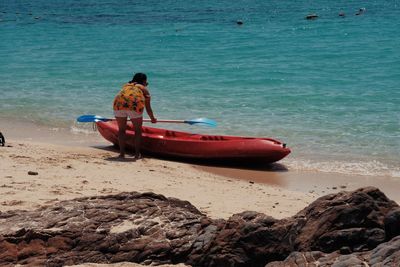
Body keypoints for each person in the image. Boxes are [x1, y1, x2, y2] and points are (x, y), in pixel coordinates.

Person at [113, 73, 157, 159]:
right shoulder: (143, 88)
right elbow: (148, 108)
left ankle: (122, 154)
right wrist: (152, 118)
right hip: (134, 106)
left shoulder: (126, 86)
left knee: (121, 130)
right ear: (144, 81)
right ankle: (137, 154)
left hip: (118, 105)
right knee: (137, 131)